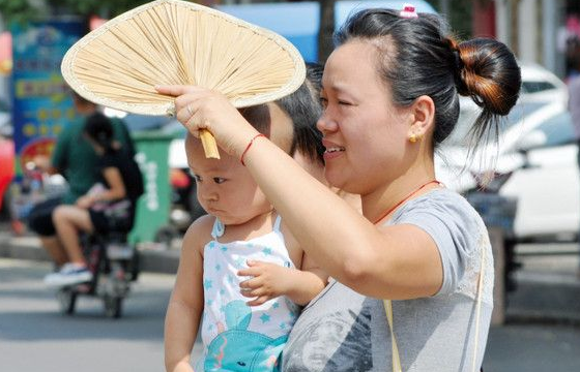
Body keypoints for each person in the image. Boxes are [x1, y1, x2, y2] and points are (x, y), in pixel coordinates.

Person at [157, 5, 521, 371]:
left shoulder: (447, 218)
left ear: (417, 117)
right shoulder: (332, 237)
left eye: (343, 103)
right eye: (324, 102)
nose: (323, 122)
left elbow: (364, 261)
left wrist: (243, 140)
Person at [163, 106, 328, 372]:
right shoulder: (203, 235)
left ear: (266, 172)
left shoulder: (290, 228)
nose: (207, 194)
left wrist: (288, 281)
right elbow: (184, 302)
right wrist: (177, 361)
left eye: (218, 179)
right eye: (198, 177)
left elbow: (319, 284)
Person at [28, 92, 135, 268]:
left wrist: (91, 198)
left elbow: (55, 167)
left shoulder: (104, 161)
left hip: (96, 206)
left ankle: (73, 265)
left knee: (42, 217)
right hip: (121, 207)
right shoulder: (119, 128)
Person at [44, 113, 144, 286]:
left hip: (110, 219)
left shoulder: (108, 161)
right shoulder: (124, 154)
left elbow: (118, 191)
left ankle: (78, 265)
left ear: (88, 136)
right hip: (127, 217)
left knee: (61, 214)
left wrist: (90, 199)